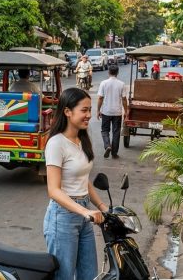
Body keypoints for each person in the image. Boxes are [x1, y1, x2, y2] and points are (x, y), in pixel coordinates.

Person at [43, 87, 108, 280]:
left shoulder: (81, 140)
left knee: (89, 275)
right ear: (67, 111)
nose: (89, 115)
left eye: (90, 110)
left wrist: (102, 207)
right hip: (62, 218)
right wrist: (85, 212)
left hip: (83, 215)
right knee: (63, 276)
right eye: (84, 110)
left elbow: (83, 179)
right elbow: (53, 190)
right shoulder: (56, 143)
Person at [97, 65, 129, 159]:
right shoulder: (121, 84)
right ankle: (114, 153)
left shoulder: (103, 83)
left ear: (108, 72)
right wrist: (126, 111)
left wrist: (98, 110)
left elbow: (100, 98)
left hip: (106, 111)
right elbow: (124, 99)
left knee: (105, 130)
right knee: (116, 132)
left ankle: (107, 146)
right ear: (117, 73)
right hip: (117, 112)